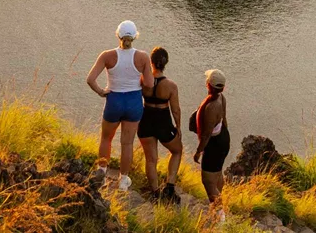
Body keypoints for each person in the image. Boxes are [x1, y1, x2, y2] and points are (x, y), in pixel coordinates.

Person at [85, 20, 154, 182]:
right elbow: (150, 84)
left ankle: (101, 172)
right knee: (127, 143)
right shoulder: (143, 57)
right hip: (134, 101)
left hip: (114, 99)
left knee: (106, 138)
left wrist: (102, 92)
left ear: (118, 35)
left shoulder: (107, 56)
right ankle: (123, 179)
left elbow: (90, 79)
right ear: (135, 36)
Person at [137, 47, 184, 201]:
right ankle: (169, 186)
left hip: (146, 119)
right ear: (165, 63)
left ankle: (155, 193)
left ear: (151, 62)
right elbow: (175, 110)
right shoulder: (170, 85)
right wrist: (178, 127)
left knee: (151, 159)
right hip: (163, 121)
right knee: (177, 150)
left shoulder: (142, 80)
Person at [192, 69, 231, 204]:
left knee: (208, 181)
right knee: (217, 172)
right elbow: (224, 119)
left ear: (208, 85)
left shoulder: (211, 107)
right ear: (222, 87)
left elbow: (206, 135)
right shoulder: (221, 98)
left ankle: (220, 216)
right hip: (223, 137)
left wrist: (198, 151)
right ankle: (219, 202)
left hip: (214, 144)